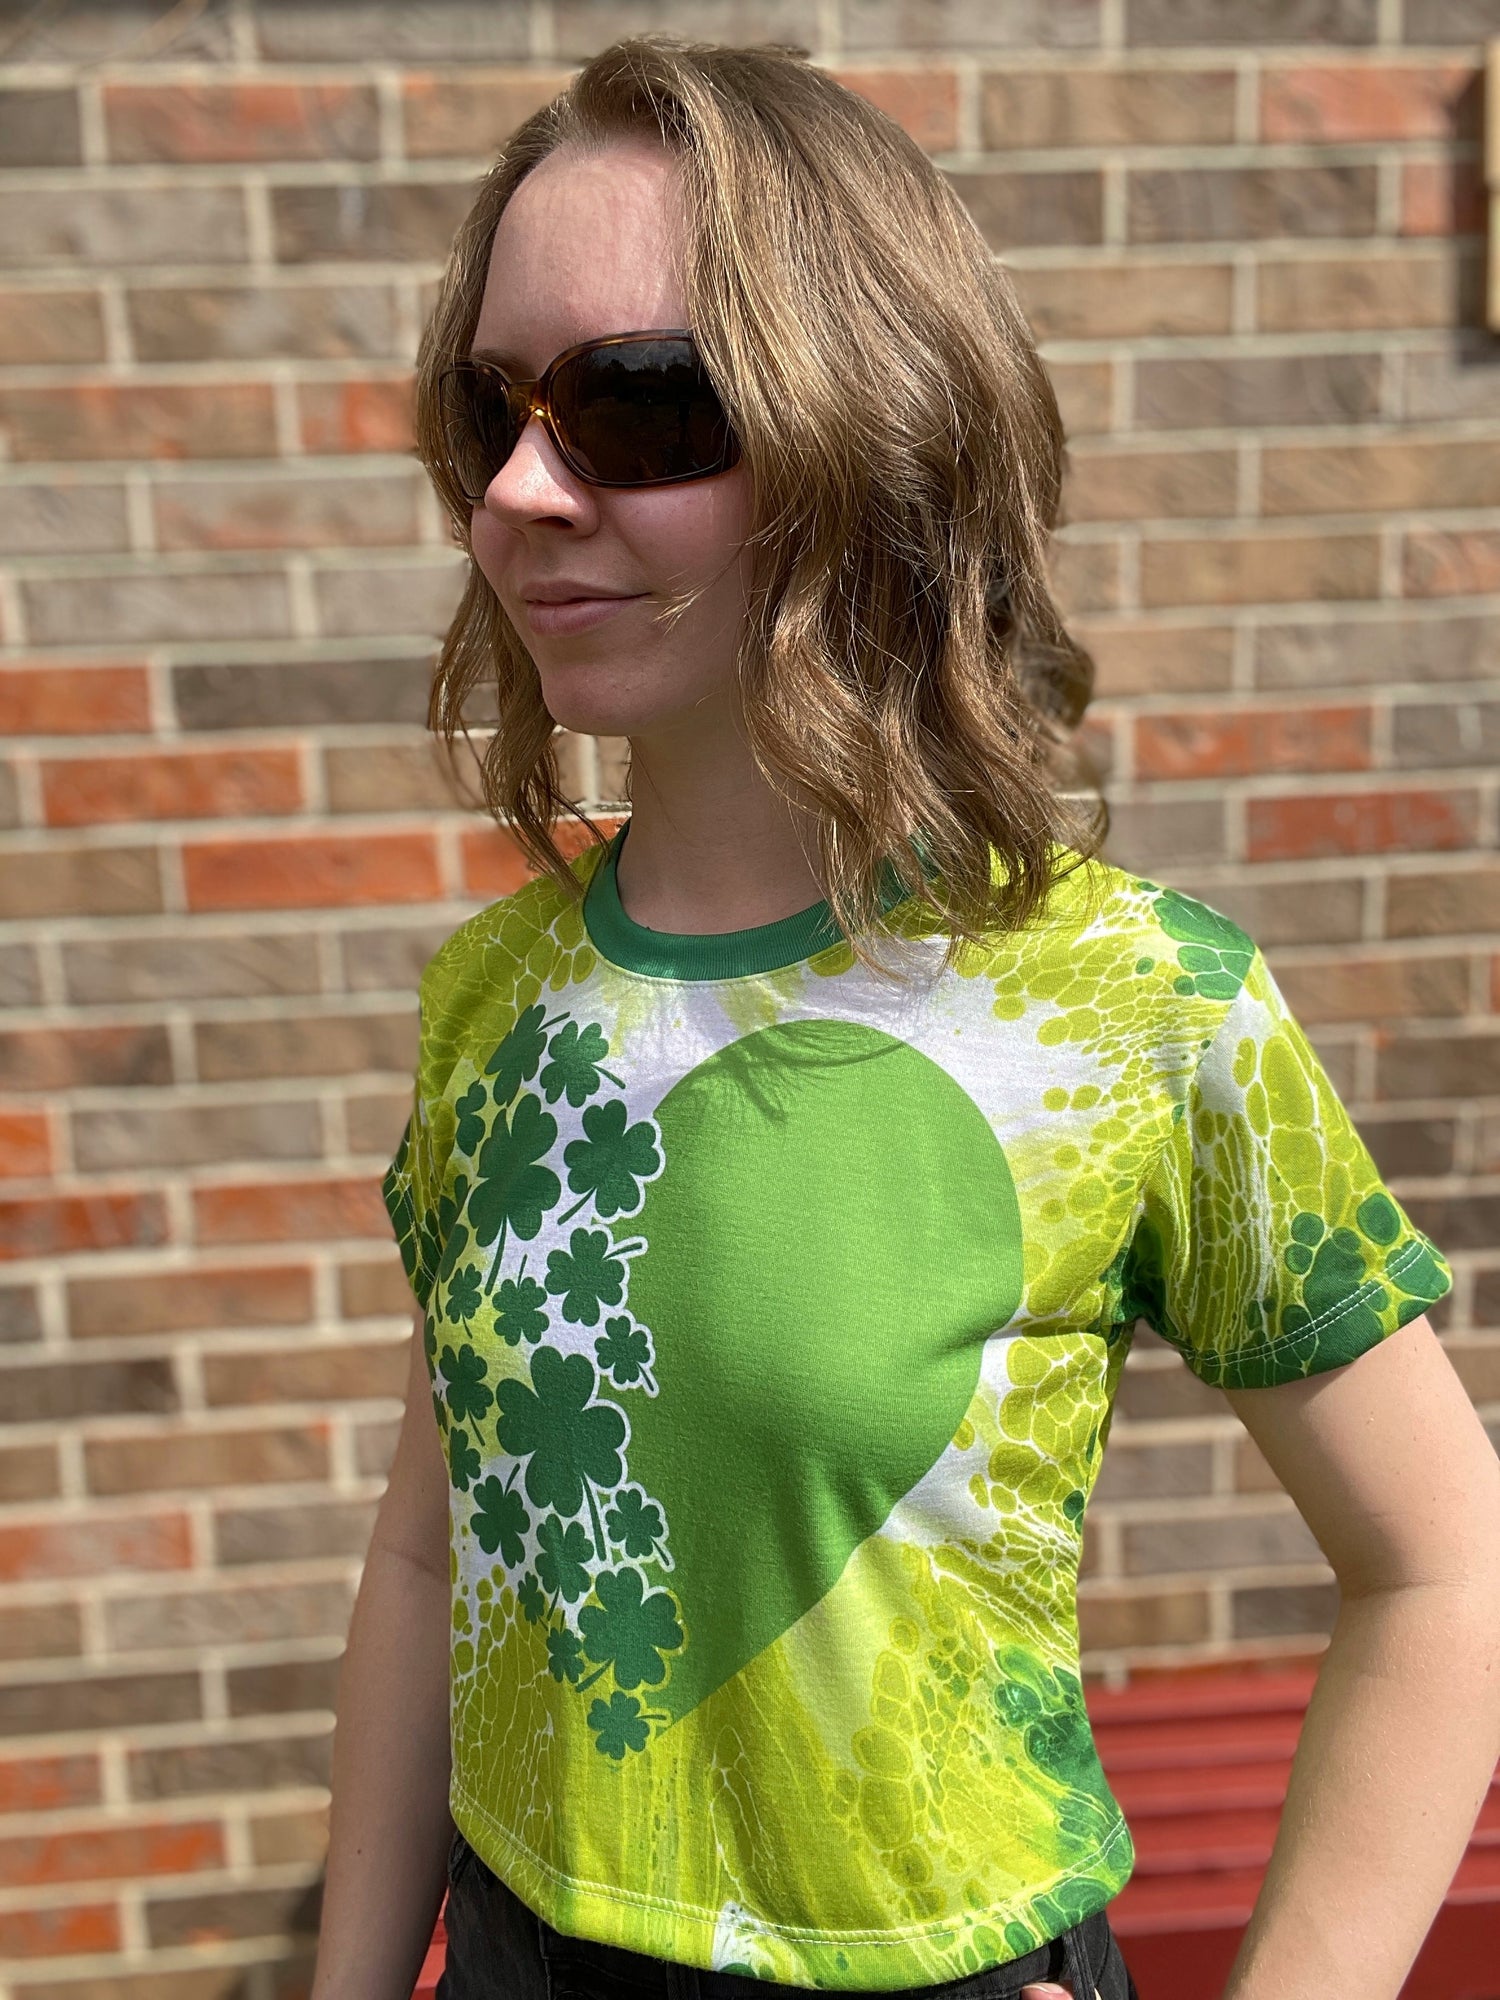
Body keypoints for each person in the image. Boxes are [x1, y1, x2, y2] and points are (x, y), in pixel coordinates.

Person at [309, 34, 1500, 2000]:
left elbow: (1445, 1567)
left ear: (873, 434)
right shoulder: (498, 1002)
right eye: (490, 408)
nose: (521, 488)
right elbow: (440, 1549)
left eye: (638, 403)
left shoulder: (1128, 1005)